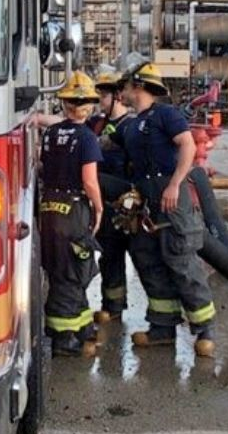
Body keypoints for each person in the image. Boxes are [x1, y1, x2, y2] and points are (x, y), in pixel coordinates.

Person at [116, 62, 217, 357]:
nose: (121, 92)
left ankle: (205, 330)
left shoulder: (166, 114)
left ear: (138, 86)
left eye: (125, 86)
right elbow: (104, 140)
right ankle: (162, 328)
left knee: (181, 261)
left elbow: (187, 146)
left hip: (171, 198)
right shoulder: (132, 125)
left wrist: (175, 184)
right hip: (145, 201)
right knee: (150, 262)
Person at [39, 70, 106, 357]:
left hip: (48, 207)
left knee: (60, 266)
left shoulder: (50, 134)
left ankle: (82, 328)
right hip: (74, 208)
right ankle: (64, 338)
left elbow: (42, 167)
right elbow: (89, 180)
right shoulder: (87, 137)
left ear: (64, 104)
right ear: (89, 105)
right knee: (73, 269)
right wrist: (99, 207)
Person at [92, 65, 135, 325]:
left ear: (118, 96)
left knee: (143, 257)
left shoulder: (131, 127)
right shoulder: (98, 124)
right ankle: (113, 307)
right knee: (109, 256)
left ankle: (165, 318)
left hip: (128, 201)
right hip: (106, 204)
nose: (100, 100)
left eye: (104, 96)